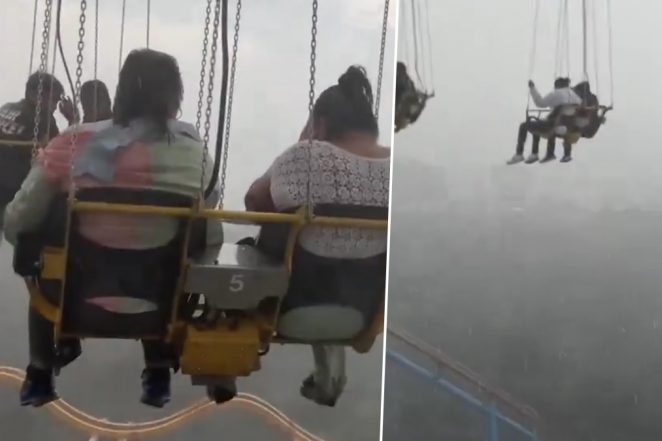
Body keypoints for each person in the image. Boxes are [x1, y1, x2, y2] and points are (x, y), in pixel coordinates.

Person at [4, 48, 222, 408]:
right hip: (159, 301)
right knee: (179, 250)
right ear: (175, 98)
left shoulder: (73, 144)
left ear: (120, 93)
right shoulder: (197, 157)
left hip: (71, 297)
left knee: (40, 248)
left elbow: (17, 219)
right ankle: (157, 369)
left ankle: (40, 371)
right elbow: (208, 210)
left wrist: (28, 242)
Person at [245, 65, 389, 407]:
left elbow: (254, 202)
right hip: (362, 305)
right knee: (335, 257)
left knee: (266, 247)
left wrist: (302, 144)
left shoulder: (305, 156)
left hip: (293, 302)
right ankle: (330, 369)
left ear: (320, 125)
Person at [0, 73, 76, 223]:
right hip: (10, 188)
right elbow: (60, 152)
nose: (55, 106)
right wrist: (72, 120)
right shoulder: (43, 118)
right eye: (54, 99)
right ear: (37, 94)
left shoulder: (6, 108)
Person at [507, 77, 582, 165]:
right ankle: (535, 154)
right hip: (568, 127)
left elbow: (540, 103)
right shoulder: (575, 96)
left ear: (557, 85)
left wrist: (532, 88)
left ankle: (520, 154)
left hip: (553, 126)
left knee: (524, 125)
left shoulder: (557, 93)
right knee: (537, 123)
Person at [394, 61, 429, 132]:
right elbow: (420, 106)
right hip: (406, 96)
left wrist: (423, 98)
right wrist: (424, 99)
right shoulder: (411, 116)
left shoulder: (407, 81)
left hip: (405, 96)